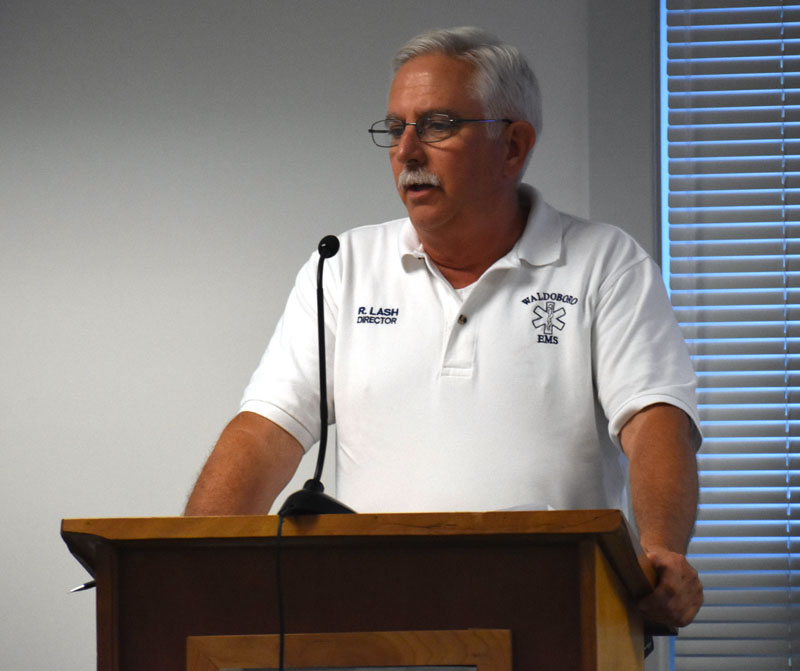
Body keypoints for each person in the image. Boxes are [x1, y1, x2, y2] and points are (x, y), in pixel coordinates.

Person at [185, 27, 703, 629]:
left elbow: (655, 421)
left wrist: (661, 551)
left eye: (436, 125)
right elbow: (266, 432)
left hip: (553, 620)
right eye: (394, 128)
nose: (407, 151)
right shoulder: (343, 266)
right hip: (368, 629)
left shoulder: (603, 262)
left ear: (513, 146)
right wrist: (190, 564)